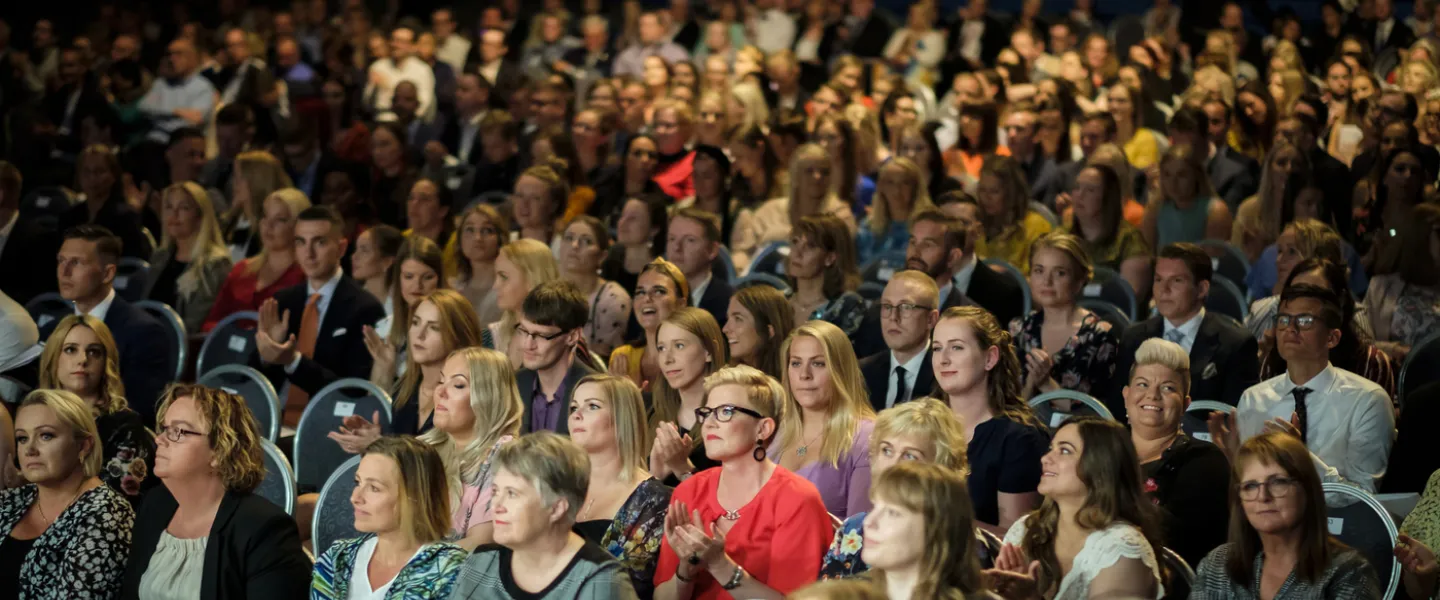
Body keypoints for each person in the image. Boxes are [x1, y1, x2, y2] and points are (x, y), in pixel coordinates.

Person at [654, 365, 835, 598]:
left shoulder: (797, 498)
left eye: (726, 411)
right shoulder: (689, 490)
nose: (709, 423)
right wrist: (685, 570)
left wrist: (720, 566)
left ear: (763, 428)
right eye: (707, 412)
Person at [123, 384, 311, 598]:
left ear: (220, 450)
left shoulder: (263, 529)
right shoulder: (155, 504)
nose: (160, 440)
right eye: (165, 429)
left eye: (178, 431)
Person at [1210, 285, 1396, 493]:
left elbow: (1363, 495)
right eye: (1284, 320)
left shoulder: (1368, 401)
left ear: (1332, 338)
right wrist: (1235, 462)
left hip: (1336, 523)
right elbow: (1249, 488)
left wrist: (1299, 458)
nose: (1291, 328)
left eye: (1305, 321)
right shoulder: (1254, 398)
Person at [986, 417, 1166, 599]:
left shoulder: (1121, 547)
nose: (1045, 458)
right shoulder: (1025, 528)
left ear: (1100, 466)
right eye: (1051, 449)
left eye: (1064, 450)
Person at [1189, 432, 1382, 598]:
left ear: (1307, 489)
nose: (1263, 497)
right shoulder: (1217, 564)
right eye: (1251, 486)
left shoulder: (1349, 572)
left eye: (1278, 482)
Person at [450, 432, 636, 598]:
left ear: (556, 508)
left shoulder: (601, 581)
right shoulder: (479, 561)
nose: (496, 505)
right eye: (496, 491)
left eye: (512, 494)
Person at [254, 206, 385, 427]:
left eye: (320, 242)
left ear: (342, 248)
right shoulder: (283, 300)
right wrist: (267, 354)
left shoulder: (365, 307)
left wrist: (293, 361)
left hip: (327, 425)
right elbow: (250, 377)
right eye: (300, 242)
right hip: (271, 420)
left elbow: (353, 389)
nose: (309, 253)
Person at [1, 389, 135, 598]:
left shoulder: (108, 515)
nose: (30, 450)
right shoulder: (11, 500)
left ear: (83, 445)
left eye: (46, 436)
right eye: (22, 438)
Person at [819, 398, 971, 579]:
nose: (893, 464)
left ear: (941, 466)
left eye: (910, 455)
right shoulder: (854, 528)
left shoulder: (964, 540)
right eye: (887, 450)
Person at [932, 306, 1049, 532]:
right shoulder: (922, 423)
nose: (943, 359)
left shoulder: (1019, 439)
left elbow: (1015, 540)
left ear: (990, 358)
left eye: (956, 347)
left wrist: (939, 523)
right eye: (937, 349)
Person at [1109, 243, 1260, 415]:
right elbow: (1118, 410)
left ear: (1202, 289)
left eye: (1176, 280)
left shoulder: (1235, 343)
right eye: (1158, 279)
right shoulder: (1133, 337)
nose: (1163, 290)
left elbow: (1236, 417)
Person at [310, 437, 468, 599]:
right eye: (358, 482)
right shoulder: (337, 558)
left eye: (374, 488)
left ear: (415, 497)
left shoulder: (451, 569)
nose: (355, 497)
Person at [1122, 338, 1232, 566]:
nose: (1152, 395)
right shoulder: (1101, 449)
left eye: (1168, 388)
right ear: (1126, 395)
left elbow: (1183, 542)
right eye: (1142, 384)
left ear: (1185, 403)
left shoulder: (1204, 461)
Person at [569, 374, 673, 598]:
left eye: (592, 406)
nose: (576, 415)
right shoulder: (556, 484)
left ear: (622, 418)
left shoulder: (655, 500)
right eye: (573, 407)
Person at [57, 225, 171, 423]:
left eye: (76, 262)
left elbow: (137, 411)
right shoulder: (54, 329)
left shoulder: (144, 333)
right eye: (61, 261)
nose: (64, 272)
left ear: (107, 274)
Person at [38, 315, 155, 505]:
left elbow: (114, 502)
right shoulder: (32, 416)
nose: (83, 360)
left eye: (93, 352)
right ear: (54, 358)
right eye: (70, 350)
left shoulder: (124, 425)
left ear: (105, 363)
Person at [773, 321, 876, 519]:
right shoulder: (778, 432)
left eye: (818, 363)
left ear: (840, 370)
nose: (804, 375)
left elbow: (857, 536)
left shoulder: (865, 437)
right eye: (795, 363)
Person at [1258, 258, 1395, 400]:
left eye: (1314, 295)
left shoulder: (1370, 363)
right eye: (1295, 293)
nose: (1301, 304)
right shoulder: (1275, 359)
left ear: (1340, 301)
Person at [1009, 232, 1119, 399]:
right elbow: (1008, 407)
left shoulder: (1100, 335)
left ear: (1079, 281)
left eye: (1059, 273)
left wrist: (1047, 384)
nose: (1047, 281)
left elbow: (1099, 414)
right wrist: (1032, 383)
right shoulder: (1019, 329)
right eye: (1039, 271)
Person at [731, 144, 858, 274]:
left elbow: (842, 262)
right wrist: (739, 269)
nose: (817, 176)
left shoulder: (840, 217)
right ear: (795, 175)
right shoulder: (768, 212)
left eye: (824, 172)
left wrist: (781, 235)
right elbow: (743, 252)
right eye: (809, 171)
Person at [142, 182, 233, 332]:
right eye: (169, 207)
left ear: (200, 216)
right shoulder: (160, 257)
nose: (174, 214)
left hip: (181, 344)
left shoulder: (214, 264)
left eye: (184, 208)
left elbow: (195, 324)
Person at [515, 280, 599, 435]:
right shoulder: (512, 385)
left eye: (541, 335)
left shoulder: (597, 393)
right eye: (524, 331)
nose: (528, 344)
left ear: (573, 336)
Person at [1062, 163, 1151, 300]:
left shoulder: (1129, 240)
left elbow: (1130, 296)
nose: (1080, 195)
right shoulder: (1061, 237)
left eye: (1090, 190)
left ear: (1108, 197)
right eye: (1077, 188)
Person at [366, 236, 445, 385]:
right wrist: (385, 370)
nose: (417, 285)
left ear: (440, 280)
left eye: (427, 277)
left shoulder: (452, 329)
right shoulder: (386, 329)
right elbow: (377, 400)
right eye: (409, 277)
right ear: (399, 279)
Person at [1366, 203, 1440, 359]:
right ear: (1420, 237)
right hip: (1398, 375)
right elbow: (1363, 344)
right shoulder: (1382, 288)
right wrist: (1396, 350)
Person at [859, 271, 939, 412]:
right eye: (887, 307)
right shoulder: (861, 373)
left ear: (931, 319)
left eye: (906, 307)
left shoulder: (944, 374)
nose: (893, 317)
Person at [610, 258, 688, 389]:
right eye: (640, 292)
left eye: (658, 291)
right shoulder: (623, 357)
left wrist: (632, 398)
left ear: (681, 304)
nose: (647, 298)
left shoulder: (690, 356)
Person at [65, 146, 153, 261]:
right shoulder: (69, 217)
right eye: (86, 171)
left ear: (113, 176)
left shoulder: (125, 218)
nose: (92, 178)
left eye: (99, 171)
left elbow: (134, 261)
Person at [560, 217, 632, 358]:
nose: (575, 245)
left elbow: (603, 359)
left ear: (602, 256)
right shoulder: (545, 290)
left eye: (586, 241)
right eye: (569, 238)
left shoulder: (613, 299)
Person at [1141, 145, 1234, 250]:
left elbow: (1214, 259)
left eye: (1181, 175)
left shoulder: (1215, 211)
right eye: (1167, 175)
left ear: (1196, 176)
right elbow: (1147, 254)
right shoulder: (1156, 208)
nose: (1173, 183)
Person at [487, 239, 562, 367]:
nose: (495, 286)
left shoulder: (561, 341)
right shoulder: (491, 337)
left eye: (504, 277)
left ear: (532, 279)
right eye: (496, 276)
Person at [788, 215, 866, 338]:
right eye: (795, 242)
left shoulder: (846, 307)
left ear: (830, 258)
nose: (797, 253)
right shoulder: (778, 302)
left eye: (810, 246)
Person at [976, 155, 1052, 272]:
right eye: (982, 190)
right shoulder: (976, 226)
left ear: (1012, 193)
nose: (986, 198)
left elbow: (1038, 275)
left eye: (994, 191)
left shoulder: (1036, 226)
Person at [222, 151, 294, 264]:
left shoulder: (270, 229)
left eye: (238, 178)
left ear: (255, 182)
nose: (233, 184)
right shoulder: (228, 222)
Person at [666, 208, 733, 329]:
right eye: (672, 239)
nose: (676, 248)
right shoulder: (651, 296)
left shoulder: (729, 303)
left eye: (690, 240)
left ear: (712, 250)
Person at [858, 158, 933, 264]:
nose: (897, 190)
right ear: (881, 187)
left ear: (916, 187)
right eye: (890, 182)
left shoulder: (928, 227)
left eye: (905, 183)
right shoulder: (867, 228)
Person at [451, 205, 507, 329]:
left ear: (500, 239)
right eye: (470, 230)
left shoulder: (509, 289)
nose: (478, 238)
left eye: (487, 230)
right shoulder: (453, 288)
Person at [350, 225, 404, 312]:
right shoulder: (350, 299)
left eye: (364, 251)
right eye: (356, 249)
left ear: (387, 262)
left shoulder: (403, 303)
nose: (354, 257)